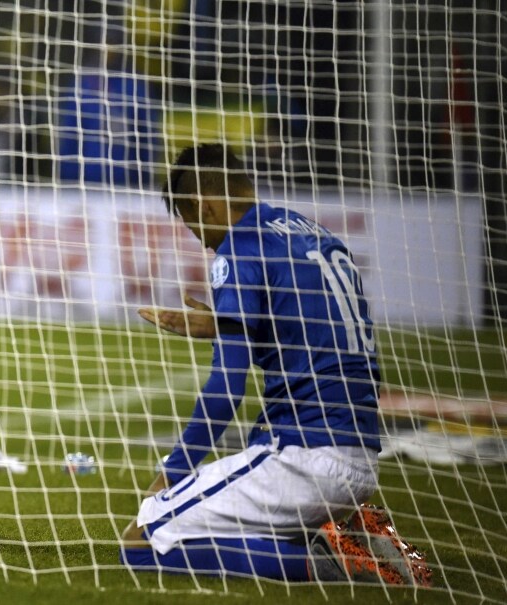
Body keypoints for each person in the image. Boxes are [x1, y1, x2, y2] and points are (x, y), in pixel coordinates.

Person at [119, 143, 431, 585]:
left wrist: (170, 473)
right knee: (226, 517)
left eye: (192, 226)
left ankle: (337, 562)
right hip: (359, 455)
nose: (202, 241)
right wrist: (225, 326)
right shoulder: (313, 233)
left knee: (140, 540)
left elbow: (226, 389)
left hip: (303, 457)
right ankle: (347, 532)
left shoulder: (240, 248)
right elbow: (308, 331)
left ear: (204, 205)